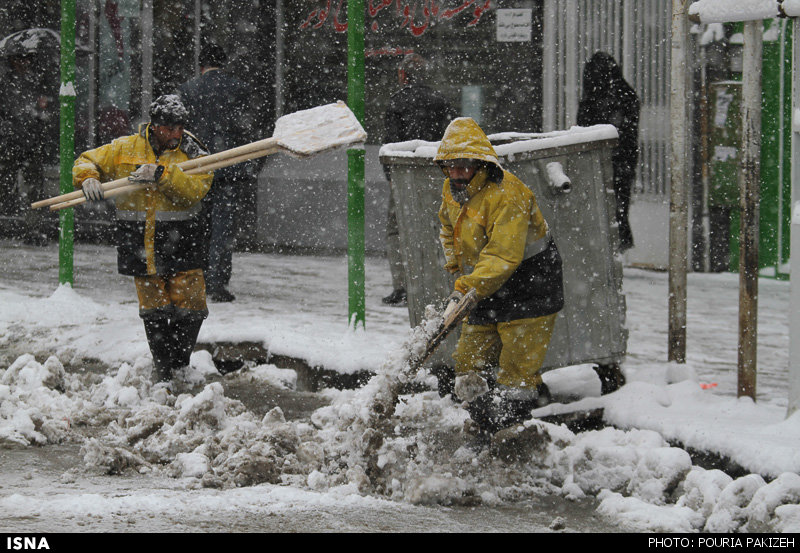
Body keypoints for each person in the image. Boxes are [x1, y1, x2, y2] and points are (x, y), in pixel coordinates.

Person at [435, 117, 565, 437]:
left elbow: (503, 255)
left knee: (517, 366)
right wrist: (457, 271)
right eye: (450, 166)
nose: (456, 173)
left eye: (464, 166)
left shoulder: (508, 194)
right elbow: (448, 230)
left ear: (481, 163)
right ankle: (480, 416)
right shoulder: (453, 190)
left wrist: (466, 286)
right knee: (470, 358)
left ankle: (513, 424)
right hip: (485, 280)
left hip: (530, 282)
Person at [73, 94, 213, 388]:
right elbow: (87, 160)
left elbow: (195, 191)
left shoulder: (193, 151)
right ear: (155, 124)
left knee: (191, 306)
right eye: (170, 128)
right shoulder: (126, 147)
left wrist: (162, 175)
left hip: (183, 240)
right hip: (139, 241)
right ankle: (163, 368)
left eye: (180, 127)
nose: (177, 134)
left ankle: (180, 364)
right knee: (154, 308)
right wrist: (88, 178)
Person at [177, 42, 253, 303]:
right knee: (223, 227)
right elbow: (247, 127)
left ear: (201, 66)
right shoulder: (239, 90)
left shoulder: (188, 90)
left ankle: (196, 278)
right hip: (230, 168)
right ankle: (218, 283)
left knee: (197, 225)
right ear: (223, 63)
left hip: (197, 168)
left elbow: (181, 132)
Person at [382, 53, 456, 306]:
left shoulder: (397, 102)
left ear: (403, 76)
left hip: (405, 173)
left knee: (397, 229)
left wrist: (390, 176)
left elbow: (391, 143)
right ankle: (441, 282)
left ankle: (403, 287)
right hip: (437, 172)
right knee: (440, 226)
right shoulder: (441, 101)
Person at [577, 52, 640, 252]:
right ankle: (616, 244)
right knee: (617, 207)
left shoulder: (597, 98)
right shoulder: (625, 94)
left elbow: (586, 127)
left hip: (604, 160)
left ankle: (609, 247)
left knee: (605, 208)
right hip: (622, 160)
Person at [0, 51, 59, 244]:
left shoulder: (38, 82)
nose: (22, 63)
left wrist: (41, 116)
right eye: (19, 58)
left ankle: (33, 228)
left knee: (33, 186)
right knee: (6, 183)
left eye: (26, 59)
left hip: (31, 142)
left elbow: (47, 111)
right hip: (10, 141)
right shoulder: (6, 82)